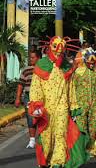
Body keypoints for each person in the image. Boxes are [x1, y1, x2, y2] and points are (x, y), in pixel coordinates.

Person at [28, 36, 89, 167]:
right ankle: (47, 160)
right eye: (56, 47)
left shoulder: (67, 67)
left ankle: (58, 162)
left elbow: (71, 87)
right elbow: (35, 86)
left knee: (61, 134)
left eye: (62, 47)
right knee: (47, 136)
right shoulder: (41, 65)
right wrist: (36, 104)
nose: (59, 51)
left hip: (62, 106)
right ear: (50, 46)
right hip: (46, 108)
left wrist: (74, 106)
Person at [15, 47, 42, 149]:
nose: (31, 59)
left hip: (41, 97)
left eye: (33, 57)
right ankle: (32, 140)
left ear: (39, 58)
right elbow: (20, 85)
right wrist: (18, 98)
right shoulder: (26, 70)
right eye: (30, 58)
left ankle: (42, 138)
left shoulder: (44, 69)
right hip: (28, 96)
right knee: (30, 117)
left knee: (41, 117)